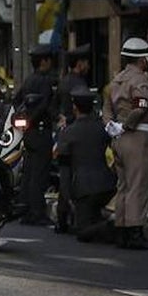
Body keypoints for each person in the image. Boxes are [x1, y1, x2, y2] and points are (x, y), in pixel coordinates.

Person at [103, 37, 148, 250]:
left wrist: (112, 126)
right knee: (139, 185)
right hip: (139, 138)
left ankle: (122, 230)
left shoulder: (116, 80)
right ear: (142, 59)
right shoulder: (140, 80)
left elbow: (107, 108)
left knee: (124, 185)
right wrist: (127, 125)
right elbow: (140, 107)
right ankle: (135, 231)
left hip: (118, 139)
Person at [55, 90, 117, 244]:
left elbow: (64, 172)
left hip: (83, 189)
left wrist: (63, 209)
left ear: (75, 107)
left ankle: (115, 225)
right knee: (92, 215)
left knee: (82, 231)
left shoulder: (68, 133)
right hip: (107, 184)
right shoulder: (102, 128)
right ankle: (107, 225)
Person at [15, 43, 58, 227]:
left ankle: (24, 208)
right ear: (44, 61)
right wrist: (32, 118)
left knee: (29, 171)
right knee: (39, 173)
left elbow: (16, 100)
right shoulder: (45, 81)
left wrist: (23, 119)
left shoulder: (28, 80)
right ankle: (37, 212)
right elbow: (44, 105)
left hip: (29, 132)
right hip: (40, 130)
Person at [55, 43, 91, 232]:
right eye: (85, 62)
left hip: (64, 133)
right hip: (75, 132)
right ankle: (72, 214)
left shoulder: (64, 81)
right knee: (74, 174)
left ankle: (62, 216)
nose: (88, 66)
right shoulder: (78, 84)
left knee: (65, 176)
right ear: (79, 63)